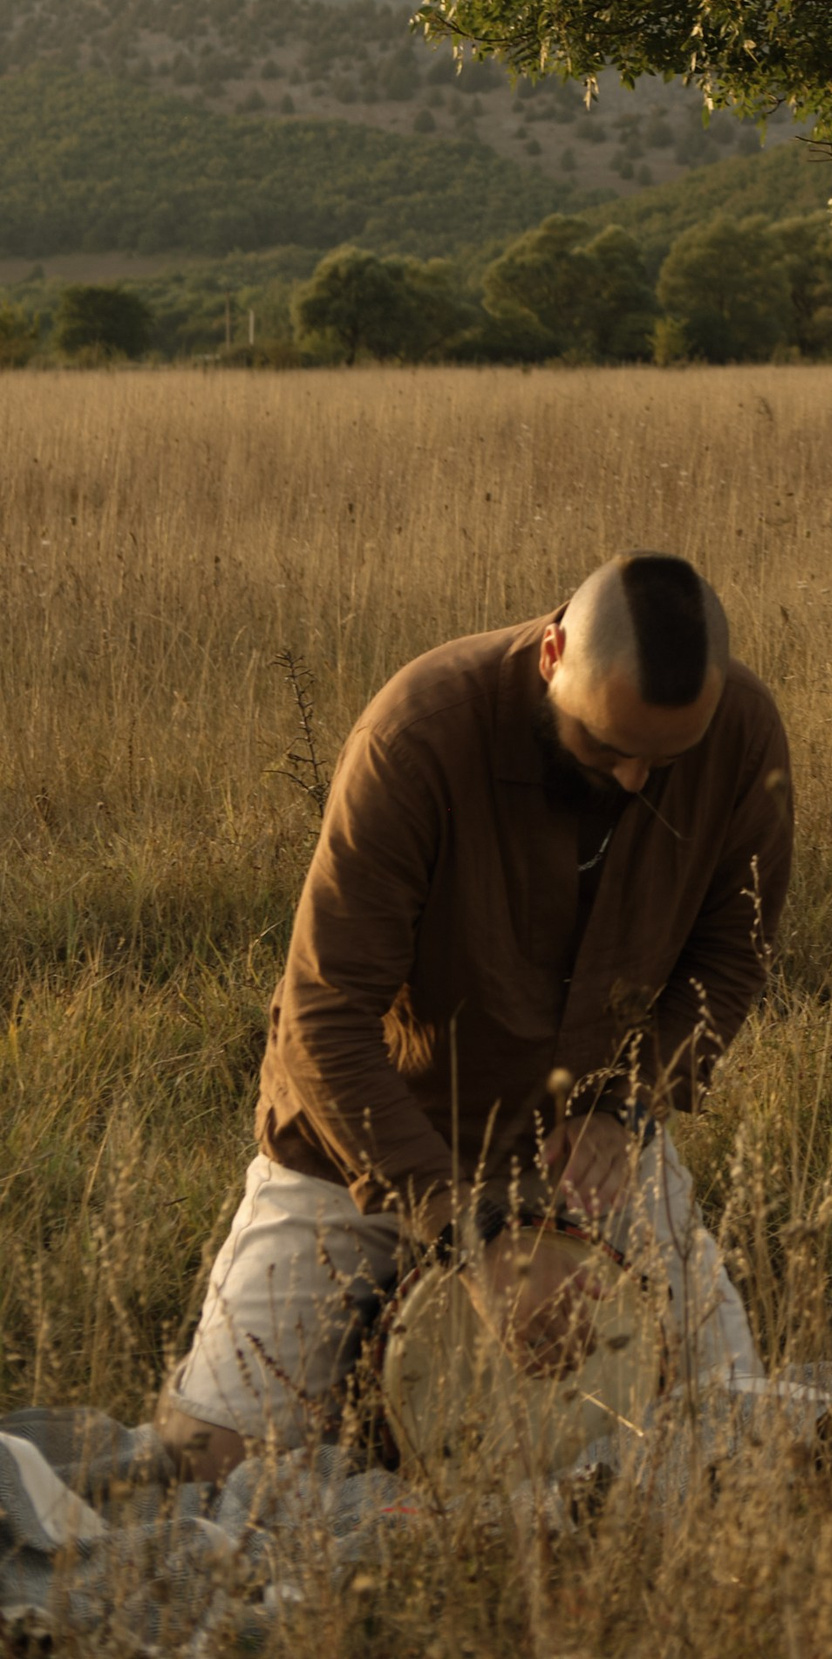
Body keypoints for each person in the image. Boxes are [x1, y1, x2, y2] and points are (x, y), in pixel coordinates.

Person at [157, 552, 792, 1473]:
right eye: (605, 747)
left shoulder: (741, 734)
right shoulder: (417, 734)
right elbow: (323, 1014)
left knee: (731, 1443)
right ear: (551, 656)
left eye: (665, 759)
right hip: (370, 1143)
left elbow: (733, 957)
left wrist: (625, 1107)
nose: (633, 781)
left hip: (588, 1141)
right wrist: (469, 1231)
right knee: (202, 1462)